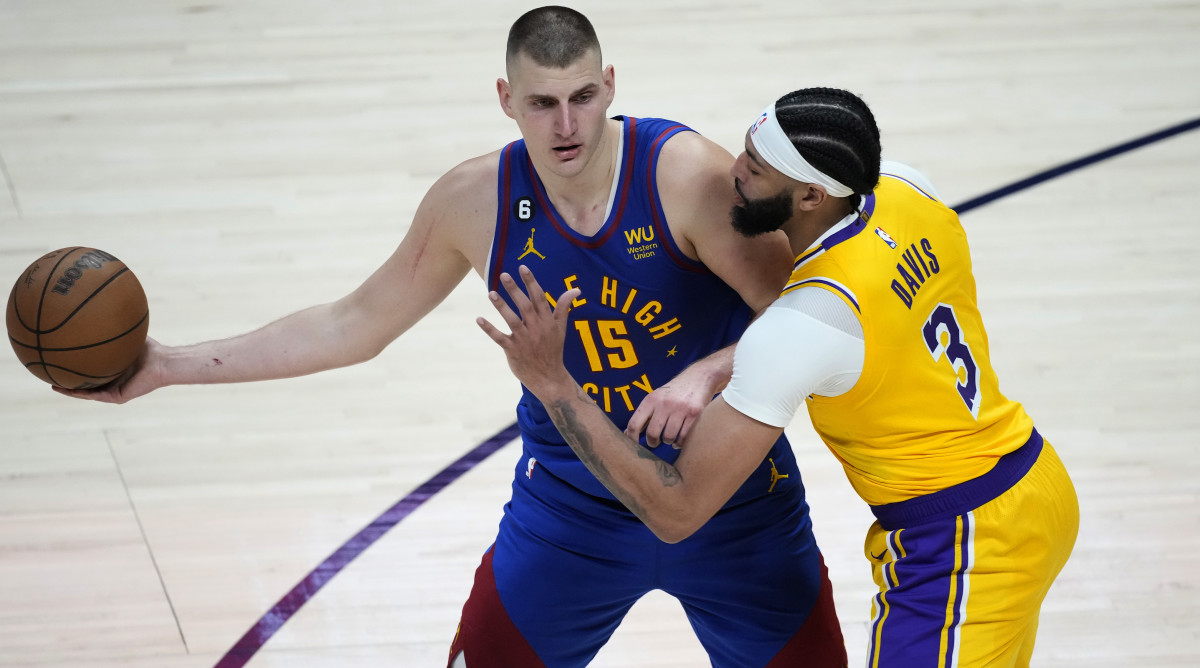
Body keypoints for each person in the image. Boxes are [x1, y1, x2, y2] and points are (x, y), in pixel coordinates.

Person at [60, 8, 850, 668]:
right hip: (572, 511)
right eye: (543, 104)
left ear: (611, 85)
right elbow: (352, 324)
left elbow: (801, 312)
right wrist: (166, 365)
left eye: (583, 96)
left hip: (734, 504)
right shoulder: (475, 201)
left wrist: (703, 377)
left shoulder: (684, 175)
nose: (568, 125)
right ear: (506, 99)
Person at [480, 86, 1080, 667]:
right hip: (1034, 480)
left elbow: (678, 511)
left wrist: (554, 383)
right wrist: (711, 368)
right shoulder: (902, 187)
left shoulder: (807, 318)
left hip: (964, 540)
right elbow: (852, 324)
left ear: (812, 196)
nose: (732, 171)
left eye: (758, 170)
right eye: (746, 148)